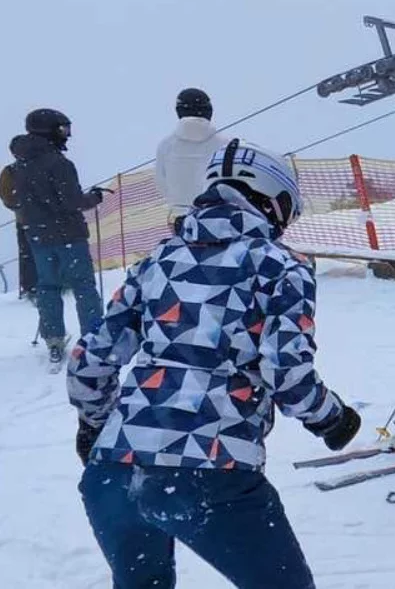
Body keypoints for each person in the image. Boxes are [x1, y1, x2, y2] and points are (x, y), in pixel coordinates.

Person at [68, 138, 361, 589]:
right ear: (273, 201)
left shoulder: (156, 262)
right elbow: (286, 374)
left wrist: (95, 426)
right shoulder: (279, 267)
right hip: (211, 472)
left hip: (114, 475)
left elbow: (91, 360)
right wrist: (332, 419)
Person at [7, 109, 105, 363]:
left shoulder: (19, 164)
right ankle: (93, 337)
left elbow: (16, 199)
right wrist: (94, 197)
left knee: (48, 287)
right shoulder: (58, 163)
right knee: (83, 286)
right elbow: (72, 201)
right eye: (62, 130)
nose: (67, 136)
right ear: (48, 131)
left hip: (37, 237)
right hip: (68, 235)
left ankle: (53, 340)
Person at [155, 88, 231, 219]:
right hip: (218, 216)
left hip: (181, 217)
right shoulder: (225, 143)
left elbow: (161, 184)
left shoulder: (166, 145)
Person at [0, 158, 37, 301]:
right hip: (47, 220)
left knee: (27, 254)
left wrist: (21, 207)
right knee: (35, 253)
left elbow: (7, 197)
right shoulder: (45, 164)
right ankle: (36, 287)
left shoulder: (10, 171)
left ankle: (31, 287)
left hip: (24, 220)